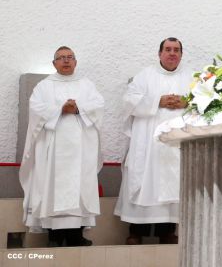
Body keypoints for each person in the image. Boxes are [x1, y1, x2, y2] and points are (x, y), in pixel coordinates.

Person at [19, 46, 104, 247]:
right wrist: (59, 109)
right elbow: (36, 109)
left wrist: (78, 109)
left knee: (80, 188)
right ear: (54, 63)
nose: (66, 61)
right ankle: (54, 237)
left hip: (81, 149)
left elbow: (98, 106)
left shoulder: (87, 85)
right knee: (50, 189)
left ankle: (76, 235)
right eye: (61, 58)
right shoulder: (43, 86)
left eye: (70, 57)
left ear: (75, 62)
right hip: (53, 149)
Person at [115, 38, 189, 245]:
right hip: (148, 143)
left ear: (181, 55)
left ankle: (167, 232)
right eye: (168, 49)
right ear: (159, 54)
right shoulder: (144, 76)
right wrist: (158, 101)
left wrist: (187, 101)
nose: (172, 53)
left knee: (172, 184)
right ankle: (136, 231)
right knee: (144, 183)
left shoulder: (191, 77)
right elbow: (129, 101)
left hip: (177, 144)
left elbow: (204, 101)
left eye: (176, 50)